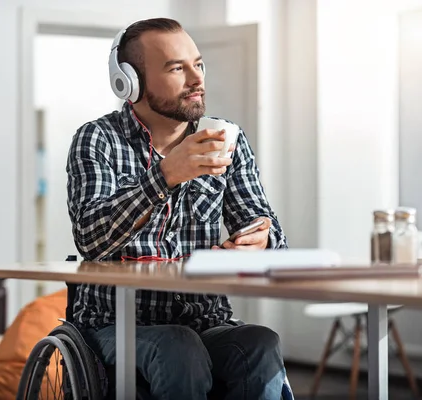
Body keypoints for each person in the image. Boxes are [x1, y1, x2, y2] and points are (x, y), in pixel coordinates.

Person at [66, 17, 288, 399]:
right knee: (177, 345)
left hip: (206, 322)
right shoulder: (97, 139)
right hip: (115, 326)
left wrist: (258, 241)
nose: (196, 79)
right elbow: (91, 238)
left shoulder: (225, 139)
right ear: (129, 82)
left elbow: (268, 233)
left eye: (198, 64)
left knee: (261, 343)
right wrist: (165, 175)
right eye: (176, 68)